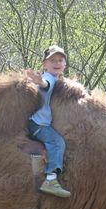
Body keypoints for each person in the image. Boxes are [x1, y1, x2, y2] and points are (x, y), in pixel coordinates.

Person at [25, 45, 71, 198]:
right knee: (58, 143)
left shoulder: (57, 78)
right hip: (38, 124)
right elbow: (46, 85)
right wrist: (41, 82)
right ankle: (51, 180)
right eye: (52, 60)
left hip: (41, 122)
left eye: (60, 60)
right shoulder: (48, 78)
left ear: (65, 64)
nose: (57, 63)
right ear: (45, 64)